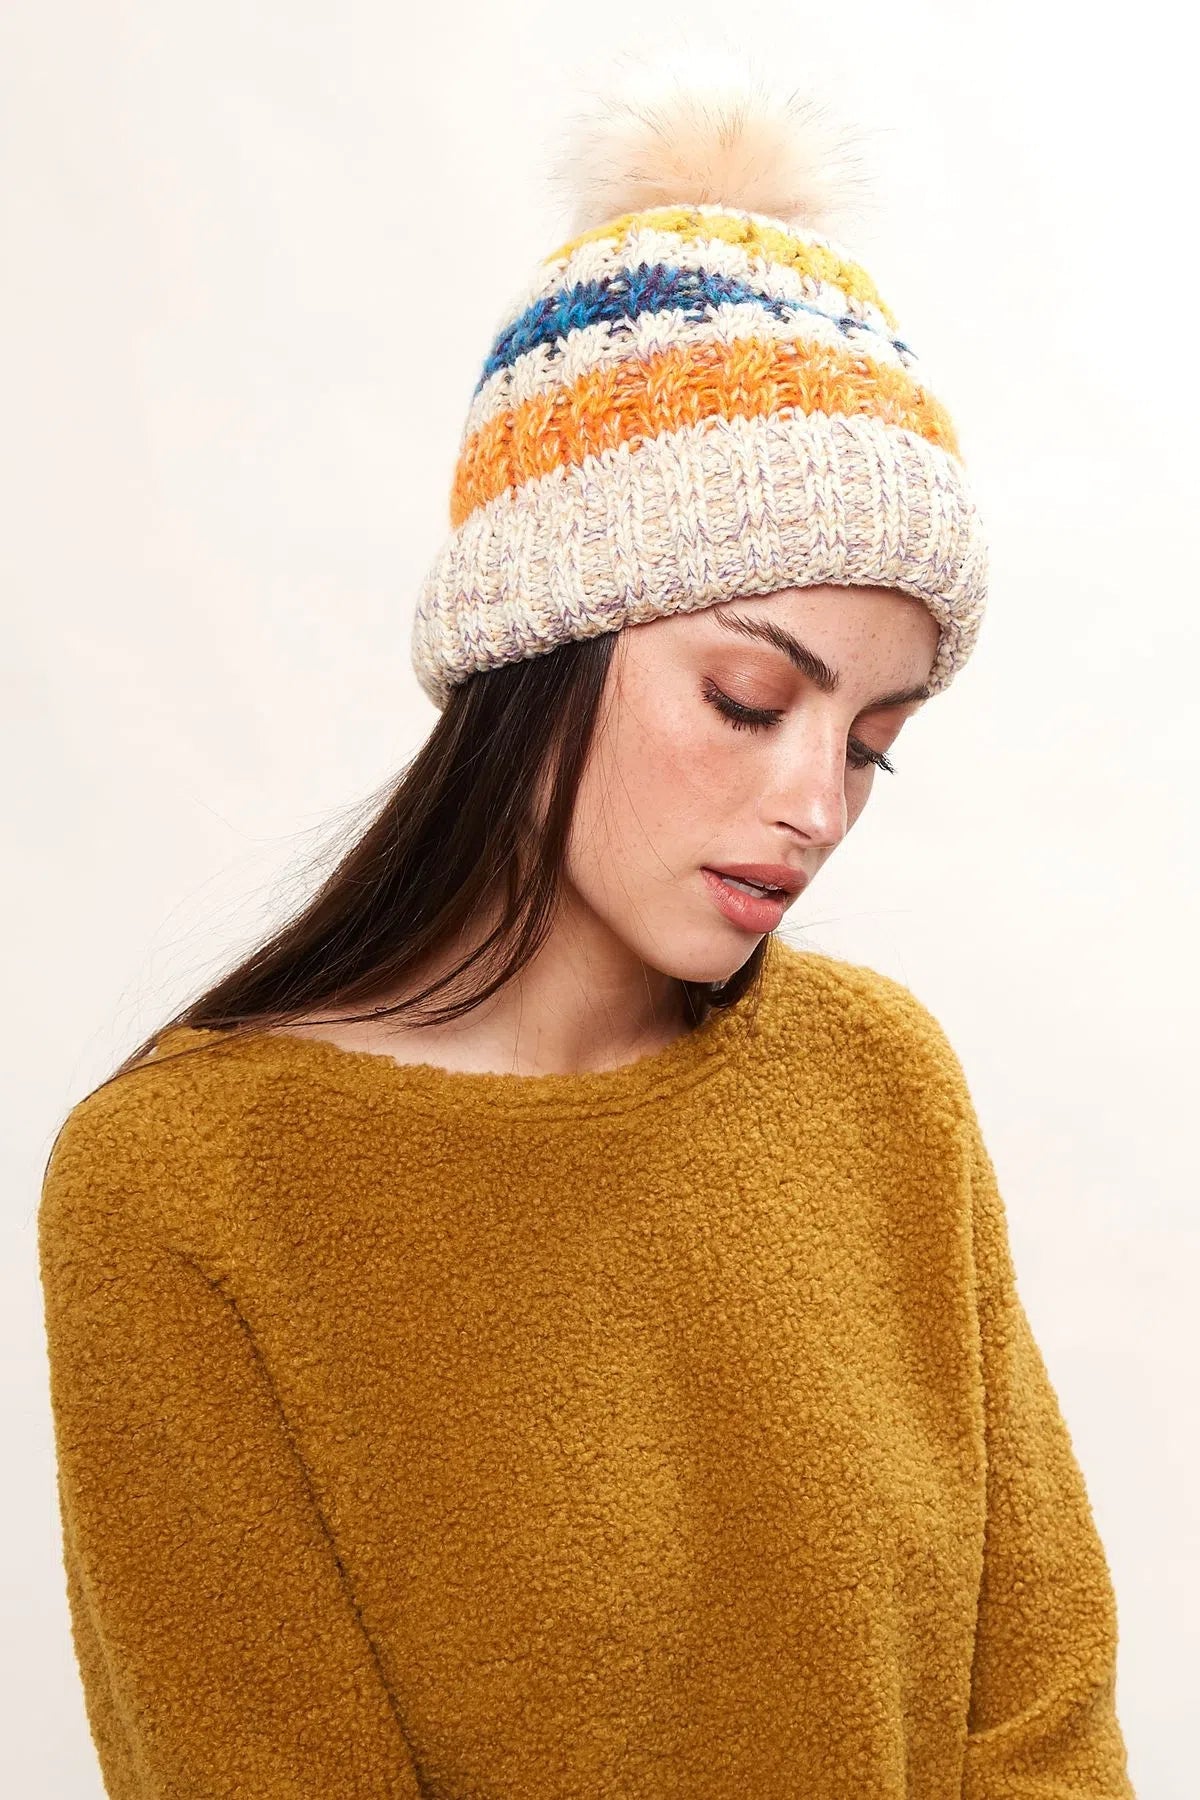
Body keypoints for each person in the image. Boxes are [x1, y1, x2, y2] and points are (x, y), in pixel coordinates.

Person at [37, 54, 1137, 1800]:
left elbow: (1045, 1727)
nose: (817, 803)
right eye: (748, 698)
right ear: (539, 642)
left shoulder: (880, 1087)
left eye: (872, 742)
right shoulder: (184, 1190)